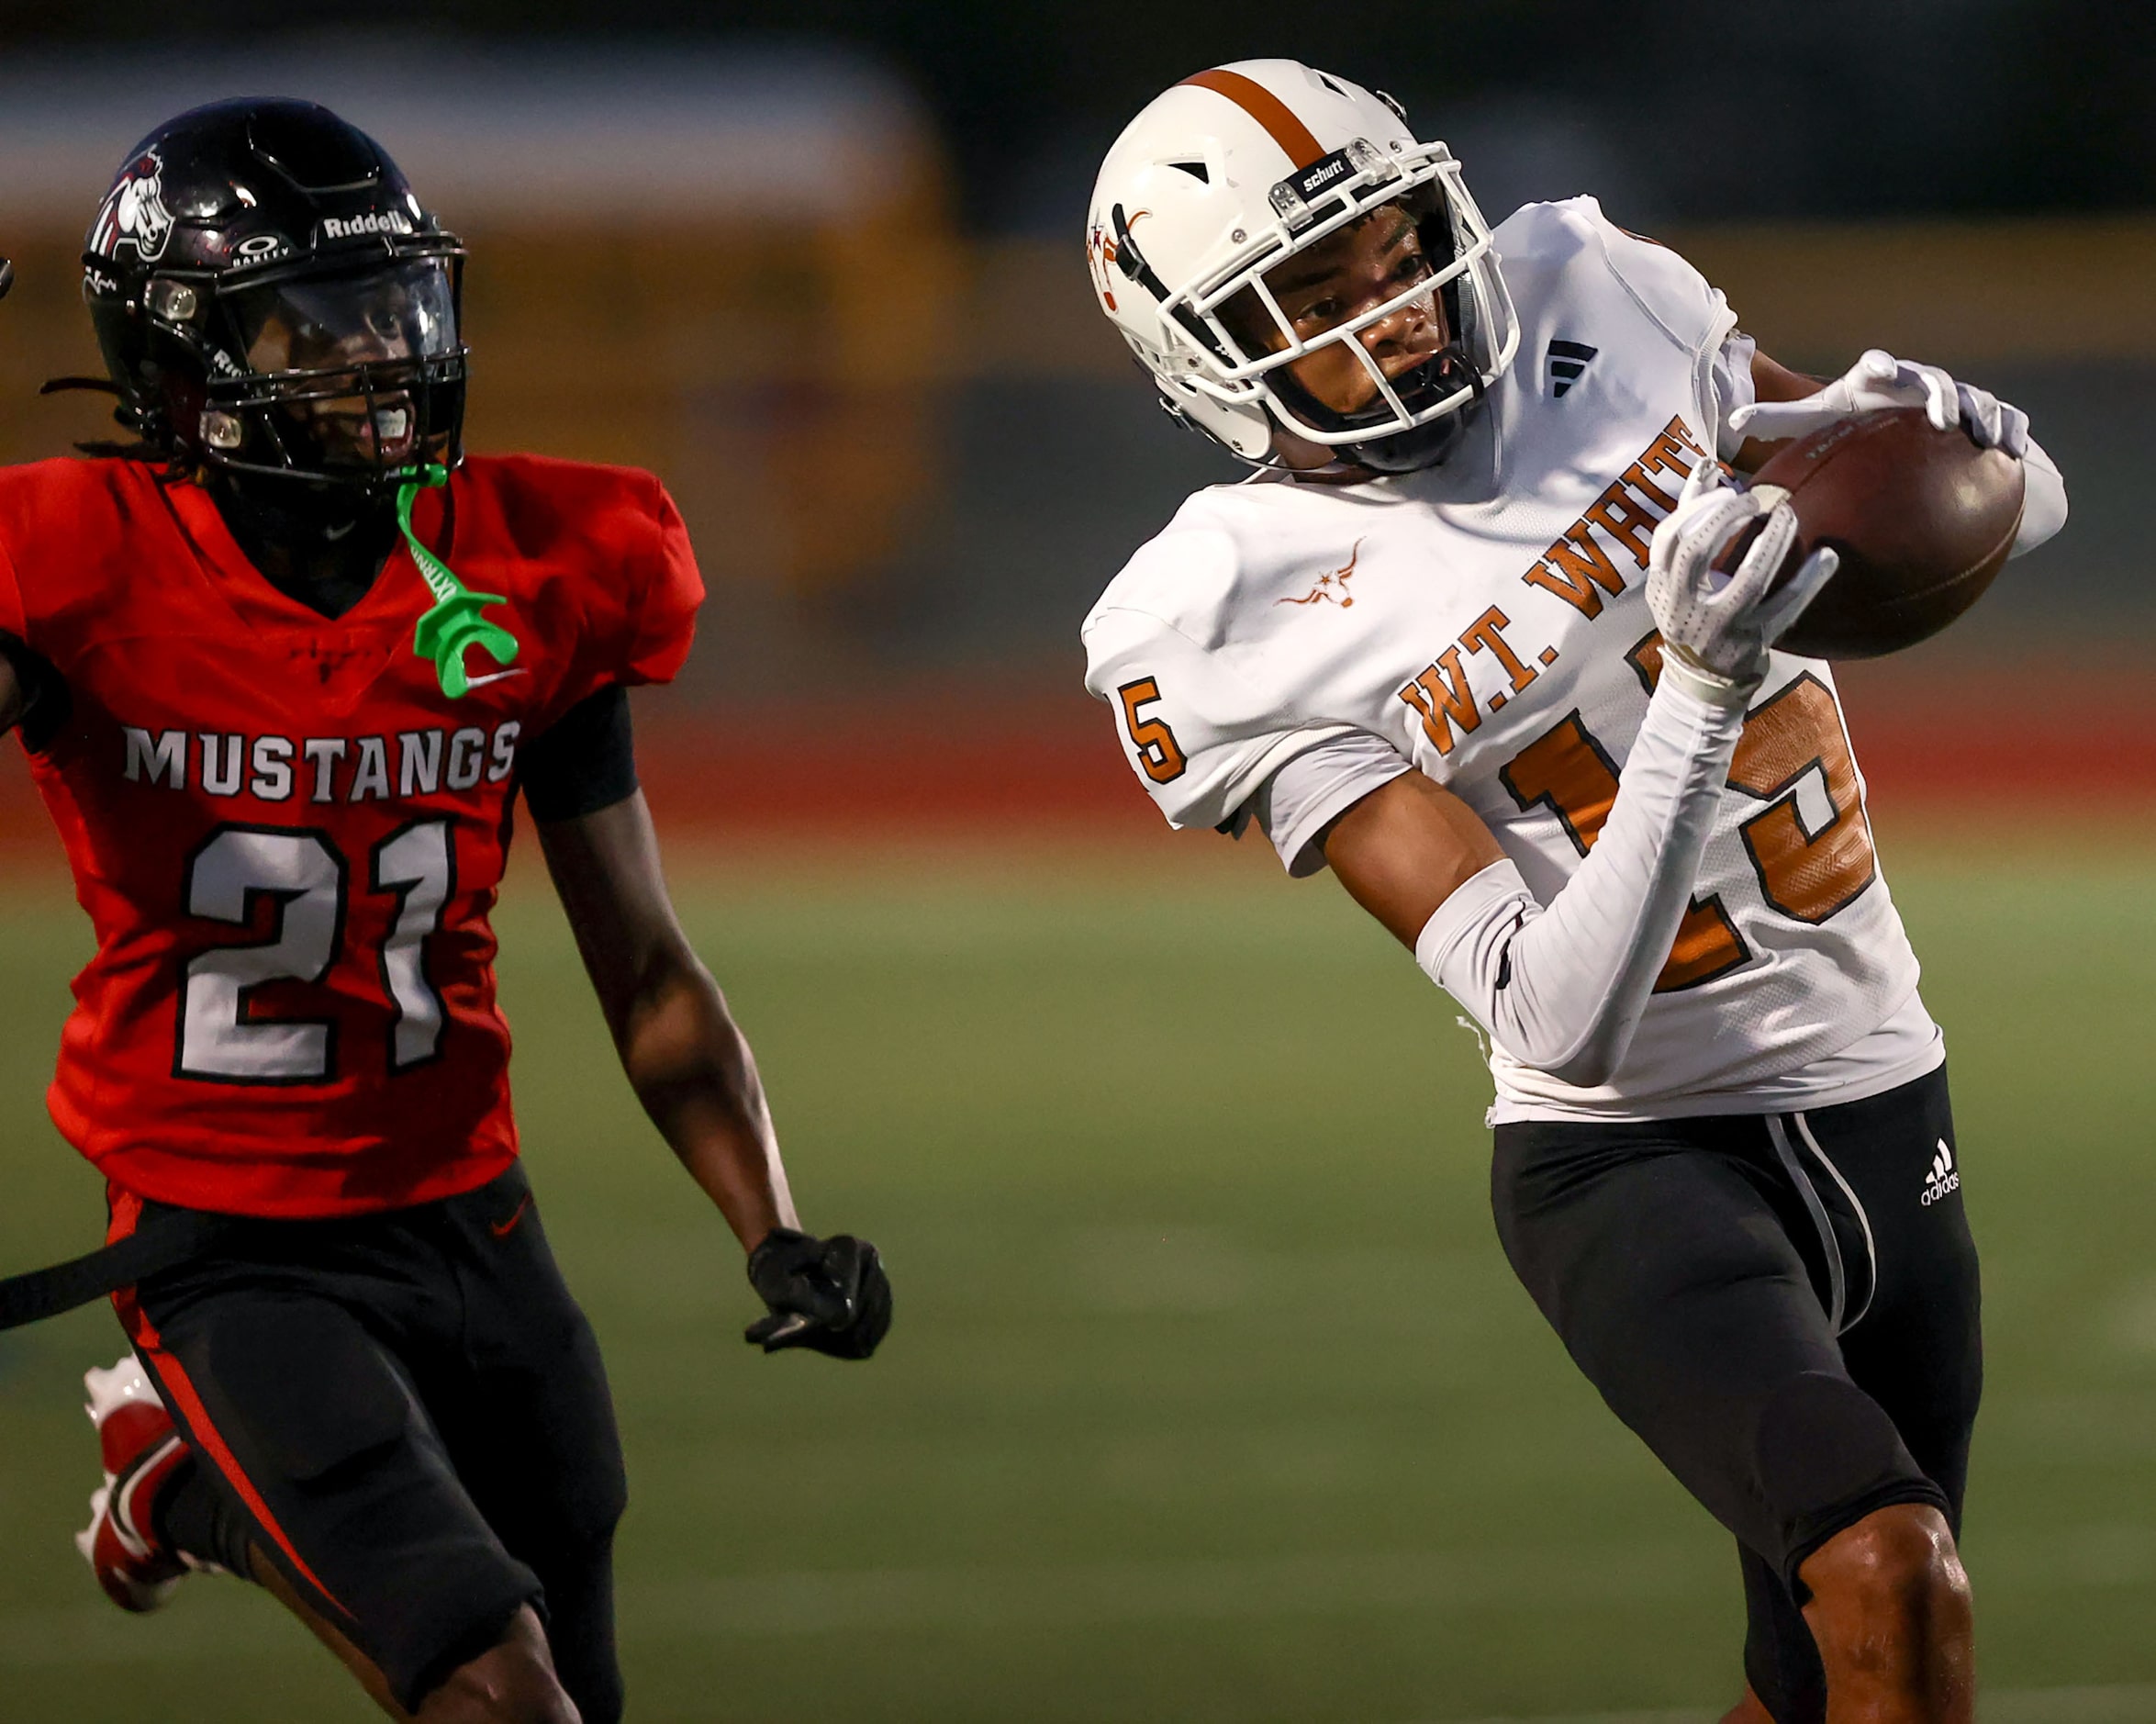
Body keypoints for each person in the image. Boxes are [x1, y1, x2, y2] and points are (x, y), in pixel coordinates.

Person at [1079, 61, 2066, 1724]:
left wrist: (1971, 457)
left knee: (1822, 1673)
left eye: (1394, 253)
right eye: (1314, 295)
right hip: (1632, 1160)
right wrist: (1690, 680)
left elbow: (1935, 515)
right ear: (1204, 353)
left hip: (1886, 1083)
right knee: (1891, 1569)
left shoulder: (1592, 297)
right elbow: (1553, 1014)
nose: (1391, 311)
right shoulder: (1218, 610)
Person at [0, 100, 890, 1724]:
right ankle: (191, 1454)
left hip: (471, 1212)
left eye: (393, 307)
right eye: (315, 325)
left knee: (572, 1688)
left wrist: (769, 1224)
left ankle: (180, 1482)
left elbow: (644, 959)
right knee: (498, 1693)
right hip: (224, 1238)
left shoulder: (541, 558)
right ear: (181, 360)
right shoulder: (67, 556)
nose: (377, 359)